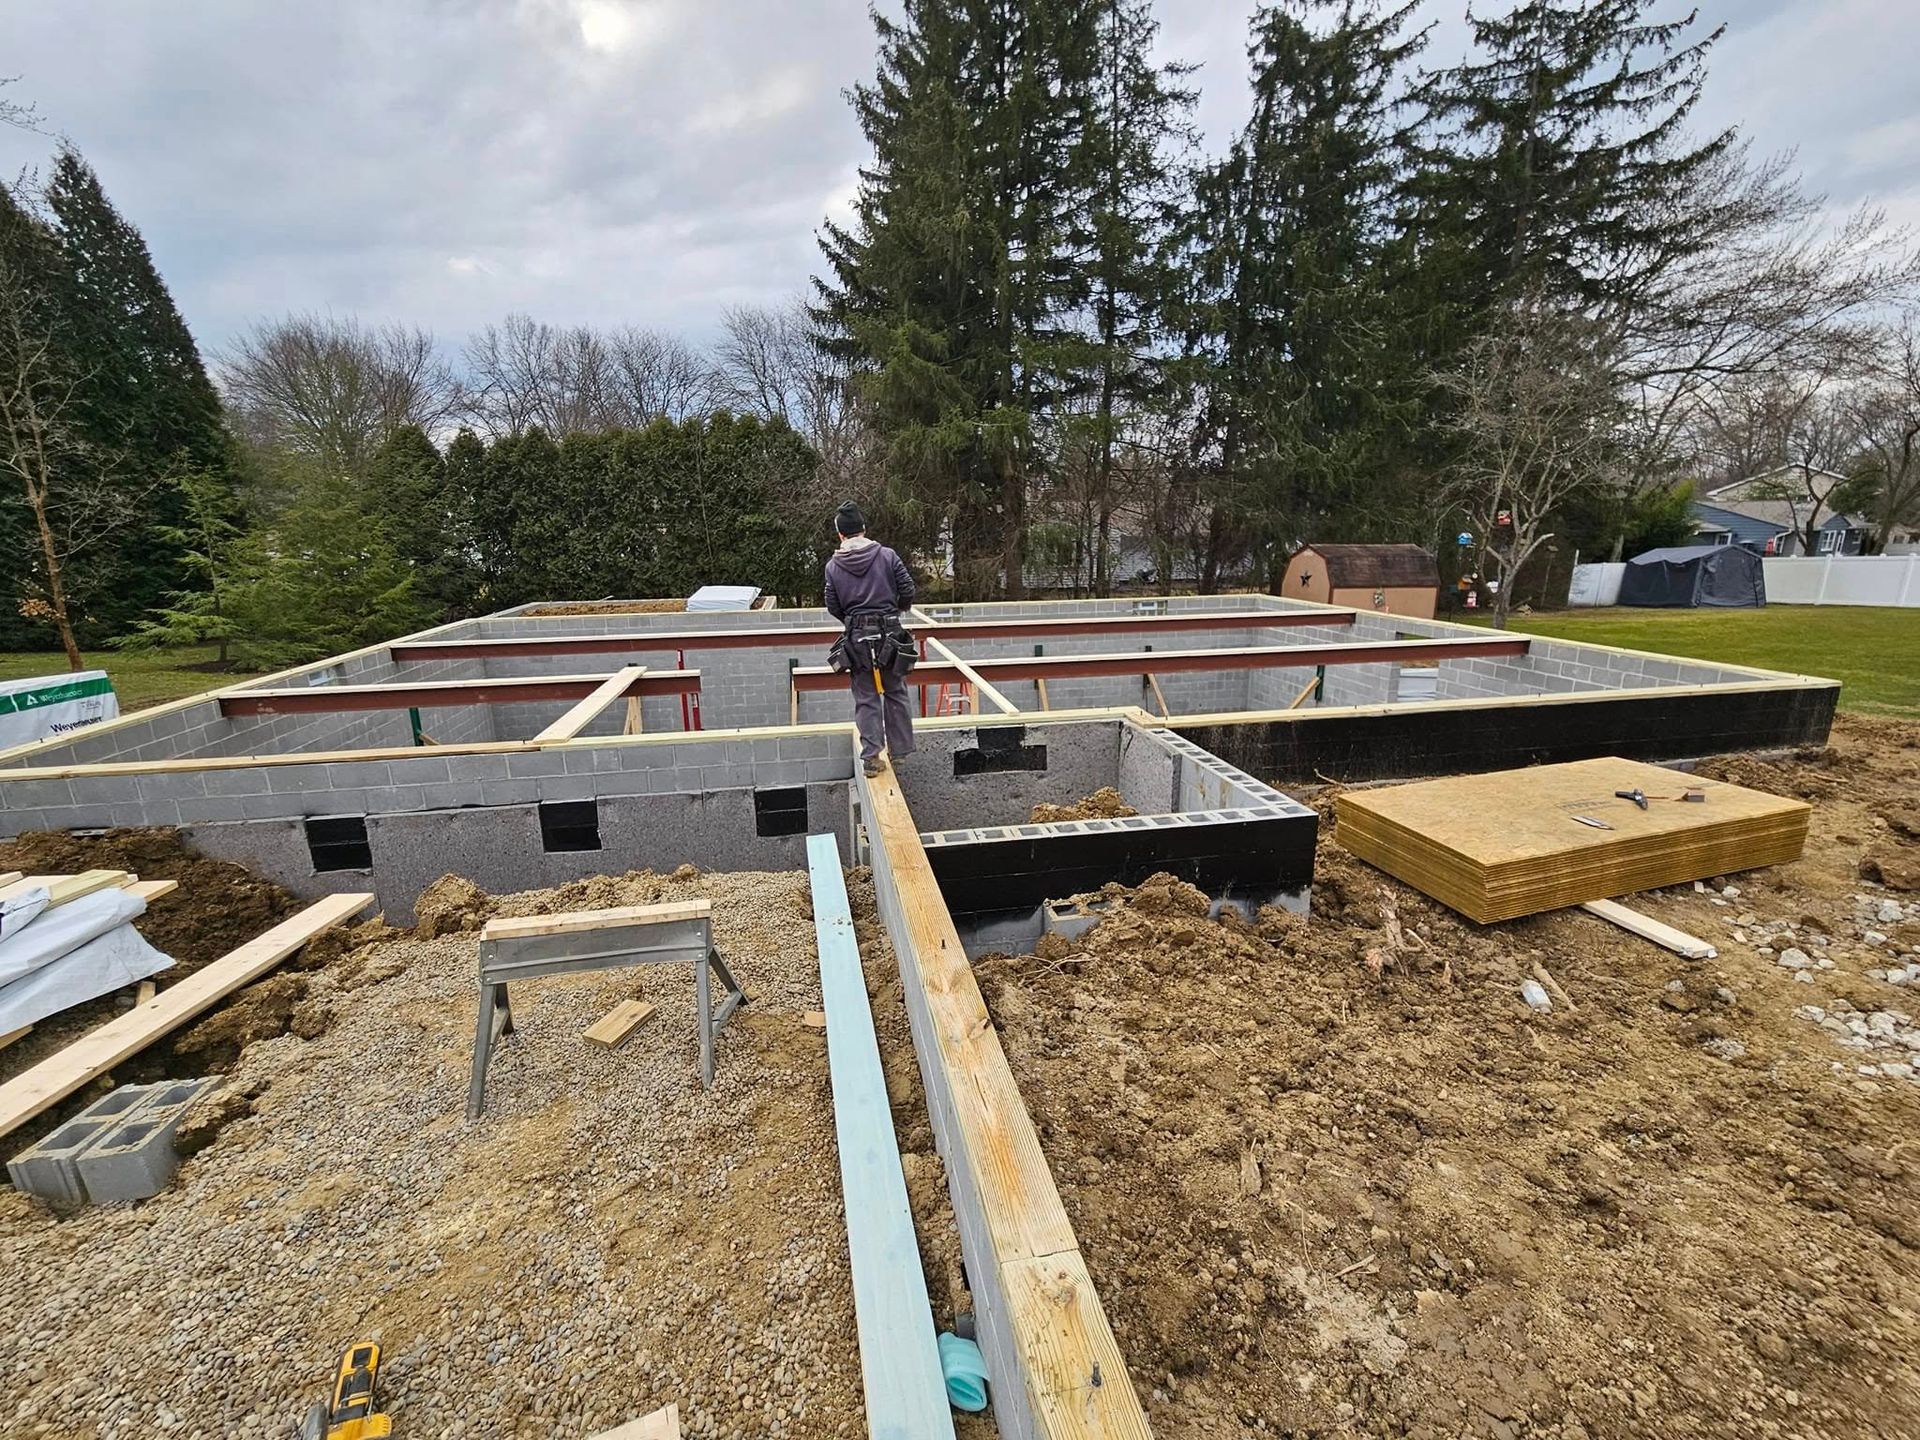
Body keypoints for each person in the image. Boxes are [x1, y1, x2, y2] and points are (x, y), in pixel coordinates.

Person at [823, 502, 917, 778]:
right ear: (864, 530)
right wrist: (894, 611)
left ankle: (872, 757)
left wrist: (852, 621)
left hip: (858, 638)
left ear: (841, 535)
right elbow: (907, 589)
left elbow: (833, 604)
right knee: (895, 690)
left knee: (866, 696)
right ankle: (899, 753)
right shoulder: (887, 556)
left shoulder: (833, 566)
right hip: (890, 633)